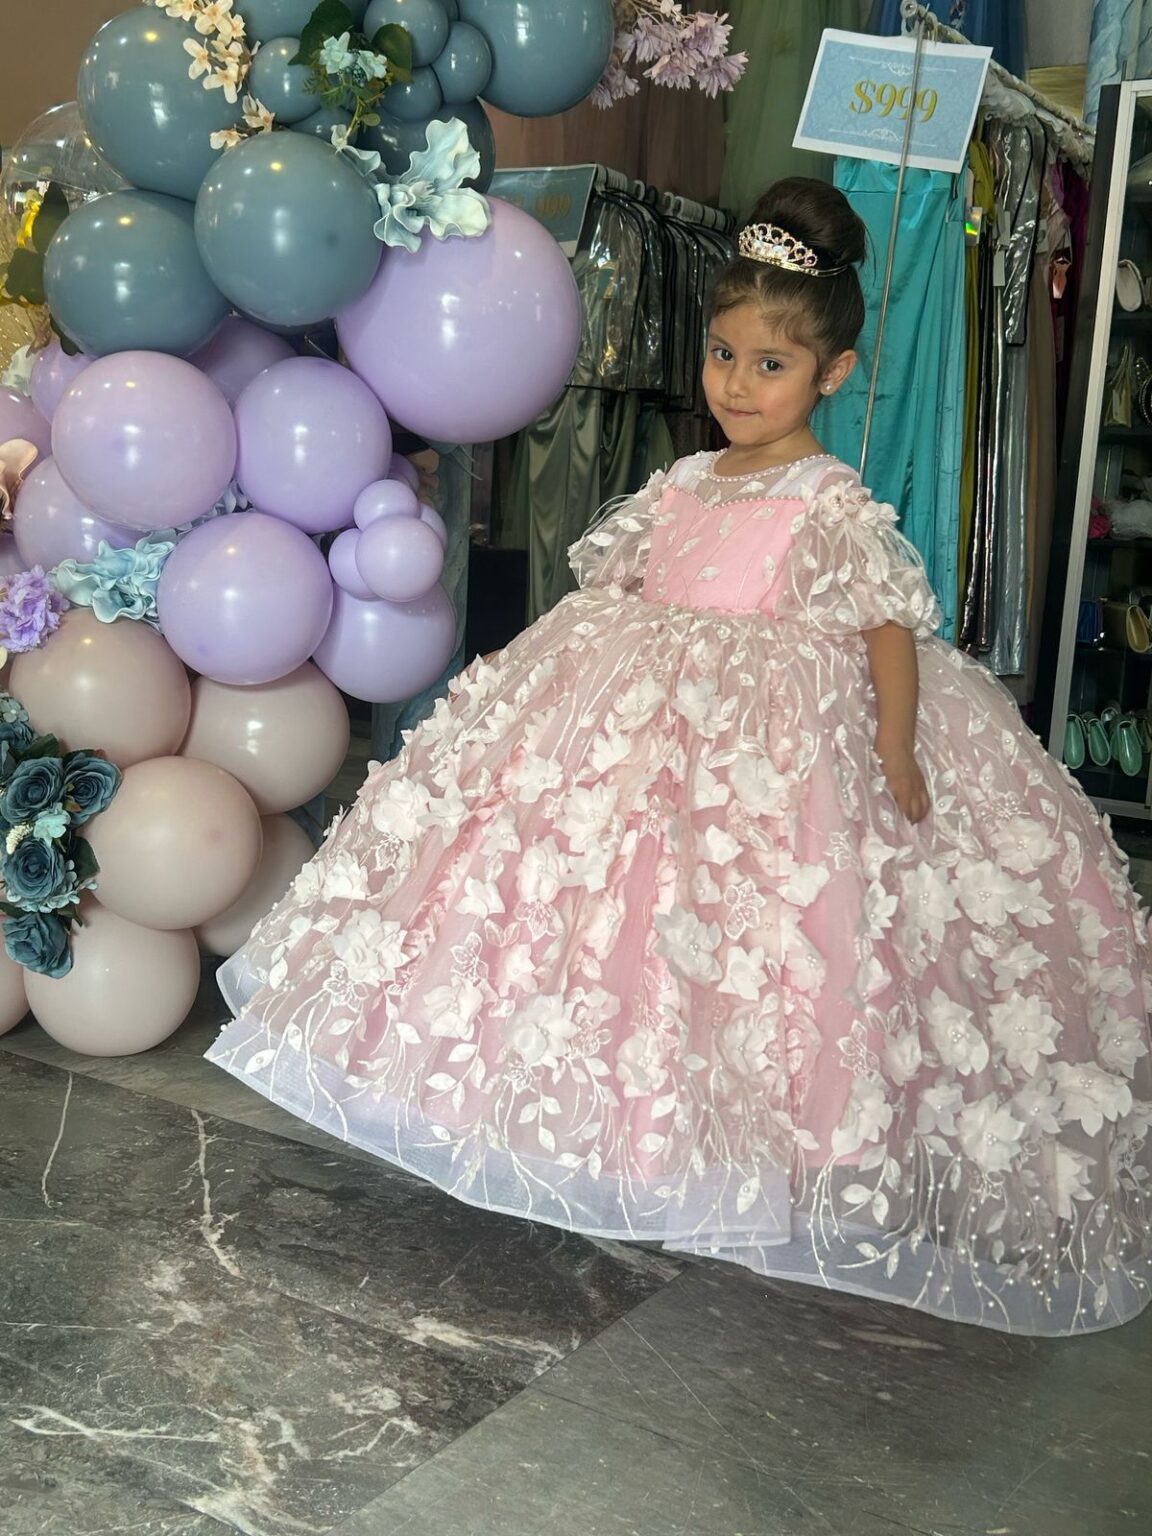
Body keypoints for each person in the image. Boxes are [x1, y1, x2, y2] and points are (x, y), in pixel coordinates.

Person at [207, 179, 1152, 1337]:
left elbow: (884, 627)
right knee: (612, 909)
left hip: (771, 742)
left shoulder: (830, 498)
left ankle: (758, 1134)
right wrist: (549, 686)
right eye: (722, 355)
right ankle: (609, 1119)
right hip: (644, 722)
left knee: (755, 927)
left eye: (771, 366)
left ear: (833, 375)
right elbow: (617, 593)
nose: (737, 385)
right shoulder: (684, 482)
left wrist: (896, 744)